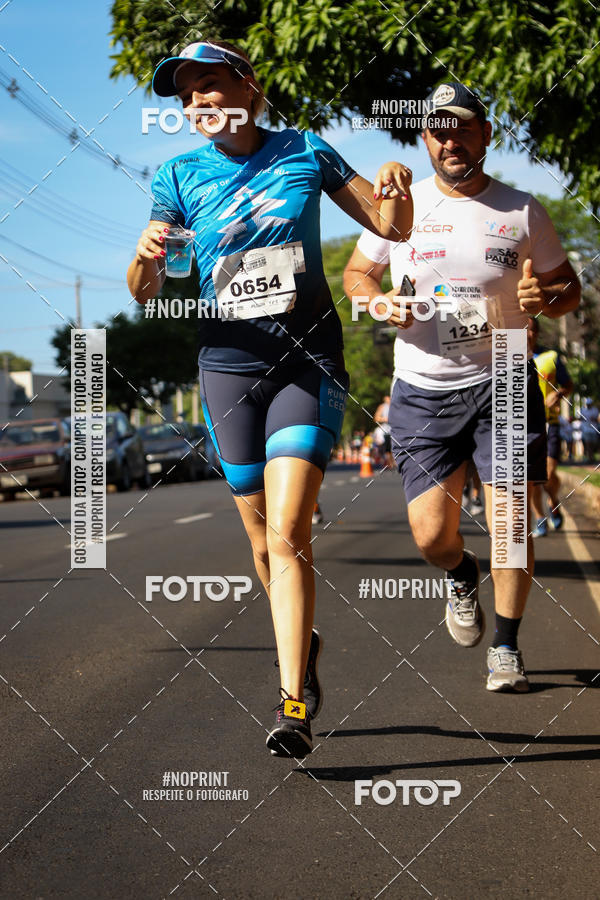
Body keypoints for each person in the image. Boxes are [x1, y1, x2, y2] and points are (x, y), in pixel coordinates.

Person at [127, 40, 413, 758]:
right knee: (259, 541)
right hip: (226, 368)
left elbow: (390, 226)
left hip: (304, 361)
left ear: (249, 89)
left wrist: (396, 185)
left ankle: (292, 705)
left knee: (288, 531)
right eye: (188, 95)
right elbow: (145, 289)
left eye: (213, 85)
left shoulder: (305, 150)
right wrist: (144, 256)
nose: (200, 103)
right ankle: (304, 639)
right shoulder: (177, 176)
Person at [343, 81, 580, 693]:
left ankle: (505, 646)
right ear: (425, 138)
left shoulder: (521, 210)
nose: (450, 139)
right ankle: (459, 571)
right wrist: (380, 304)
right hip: (422, 384)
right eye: (438, 130)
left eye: (463, 128)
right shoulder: (402, 209)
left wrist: (544, 298)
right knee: (430, 536)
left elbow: (566, 289)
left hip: (503, 369)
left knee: (509, 523)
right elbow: (357, 275)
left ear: (485, 135)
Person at [527, 316, 573, 536]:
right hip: (525, 426)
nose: (526, 334)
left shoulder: (551, 357)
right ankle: (540, 519)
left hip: (550, 424)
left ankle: (553, 500)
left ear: (536, 332)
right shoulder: (508, 358)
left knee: (548, 473)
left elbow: (568, 384)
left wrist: (559, 394)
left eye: (530, 330)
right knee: (534, 480)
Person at [374, 395, 395, 467]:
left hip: (397, 430)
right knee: (388, 448)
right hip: (387, 431)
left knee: (395, 446)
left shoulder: (396, 405)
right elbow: (376, 418)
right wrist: (385, 419)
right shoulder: (382, 407)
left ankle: (394, 461)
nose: (388, 400)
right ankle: (390, 462)